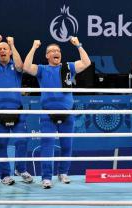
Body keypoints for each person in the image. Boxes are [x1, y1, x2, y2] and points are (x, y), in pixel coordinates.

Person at [23, 37, 91, 189]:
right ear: (47, 56)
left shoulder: (69, 67)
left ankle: (63, 173)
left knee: (67, 146)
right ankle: (46, 178)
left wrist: (78, 45)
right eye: (52, 51)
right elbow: (26, 67)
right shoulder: (42, 69)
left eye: (58, 50)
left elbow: (86, 63)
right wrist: (34, 47)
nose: (56, 52)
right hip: (48, 114)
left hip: (67, 114)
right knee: (47, 146)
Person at [0, 34, 33, 186]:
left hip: (17, 111)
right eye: (0, 49)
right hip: (0, 111)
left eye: (5, 49)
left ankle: (21, 169)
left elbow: (21, 65)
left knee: (22, 141)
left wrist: (13, 45)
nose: (2, 50)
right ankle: (5, 175)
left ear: (10, 52)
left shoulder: (15, 67)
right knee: (2, 145)